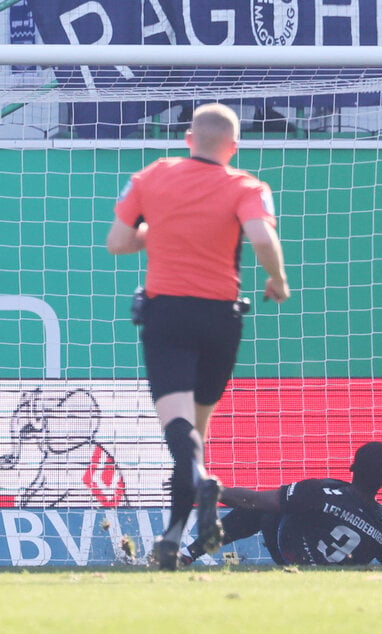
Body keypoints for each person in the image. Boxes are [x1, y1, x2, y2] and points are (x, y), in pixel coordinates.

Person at [106, 102, 291, 571]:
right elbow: (263, 240)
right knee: (196, 433)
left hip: (168, 314)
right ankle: (171, 540)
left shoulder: (153, 175)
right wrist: (278, 282)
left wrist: (159, 232)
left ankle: (197, 487)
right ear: (233, 146)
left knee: (179, 430)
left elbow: (118, 242)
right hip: (220, 319)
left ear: (189, 138)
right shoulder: (246, 185)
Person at [181, 442, 382, 567]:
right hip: (336, 576)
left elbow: (249, 499)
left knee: (265, 507)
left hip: (293, 557)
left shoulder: (319, 492)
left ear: (352, 467)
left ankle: (187, 554)